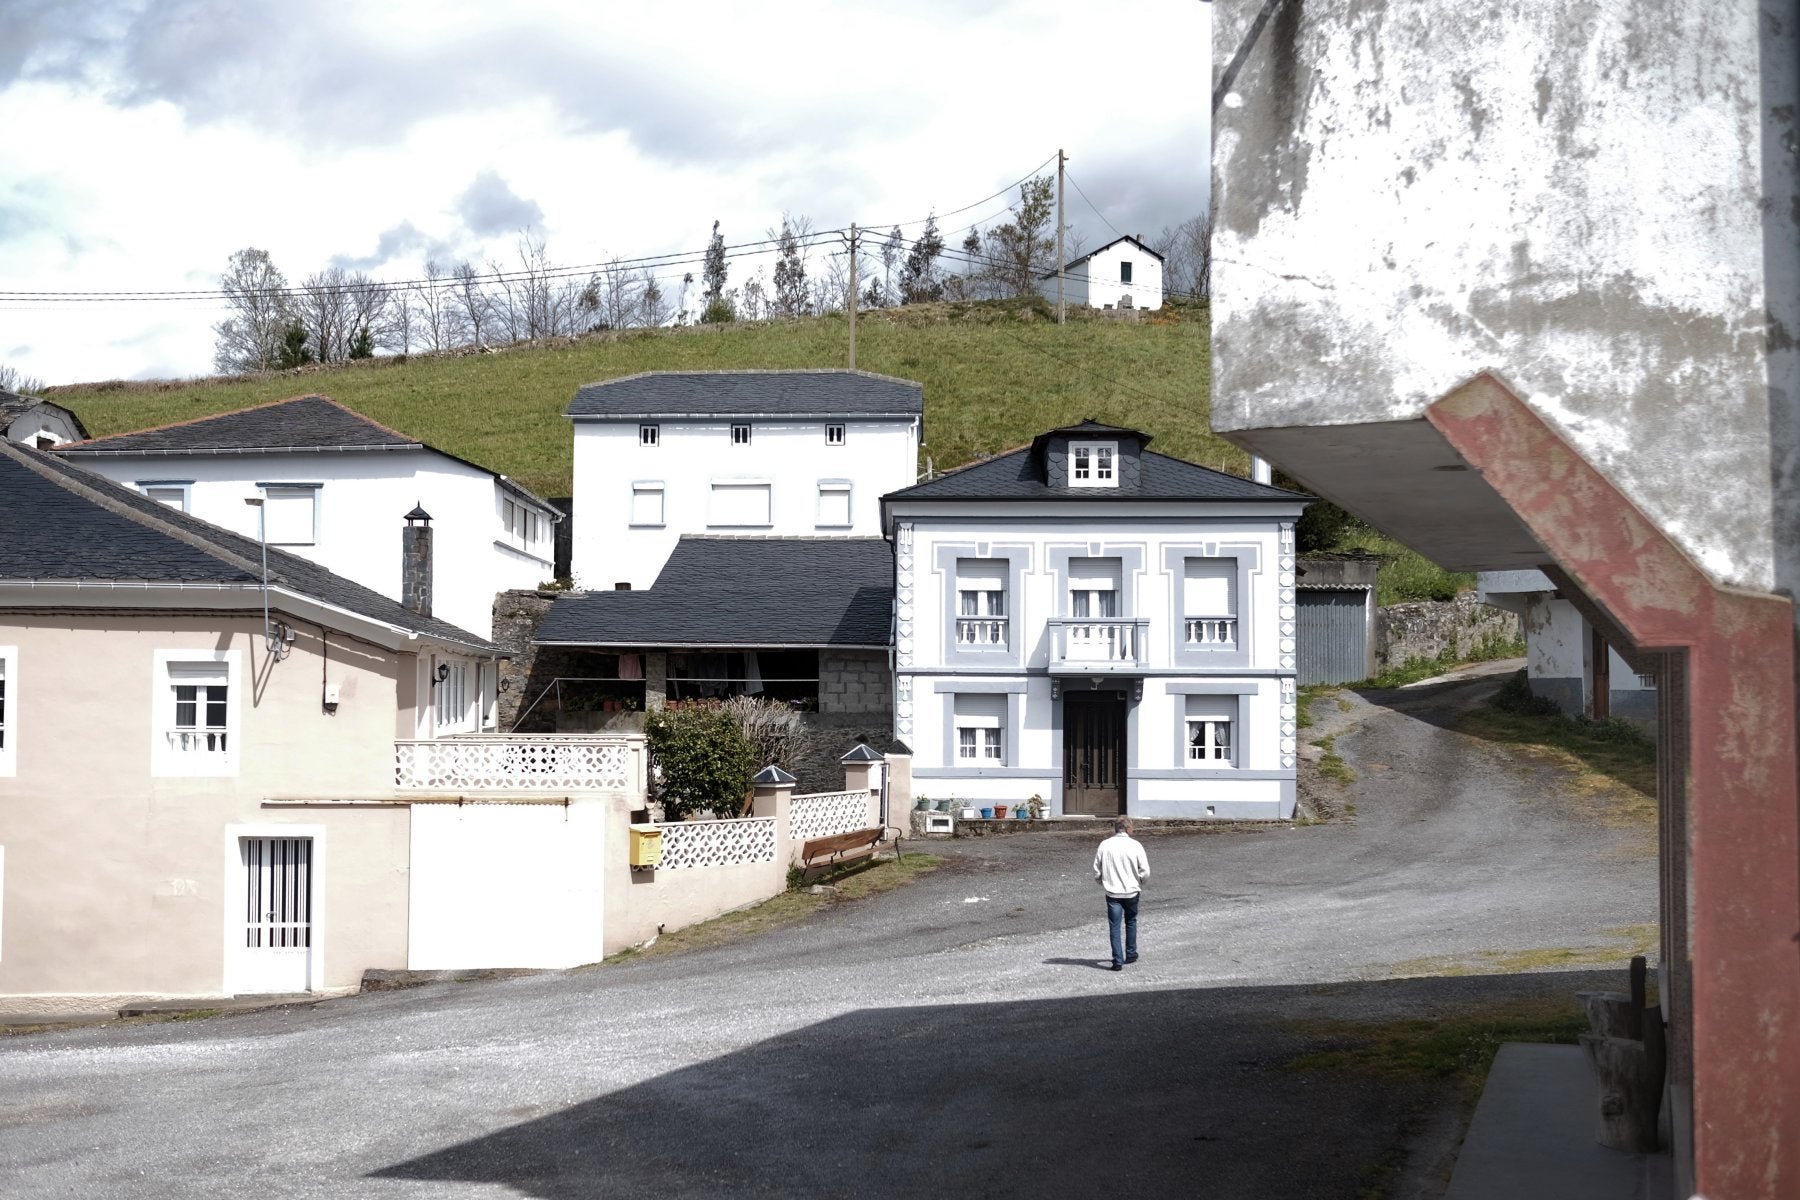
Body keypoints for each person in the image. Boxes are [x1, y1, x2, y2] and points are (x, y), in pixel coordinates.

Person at [1094, 815, 1150, 970]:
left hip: (1112, 892)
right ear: (1127, 828)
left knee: (1114, 926)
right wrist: (1139, 881)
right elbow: (1145, 871)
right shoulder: (1136, 845)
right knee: (1131, 921)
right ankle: (1131, 953)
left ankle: (1117, 960)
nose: (1133, 830)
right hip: (1131, 891)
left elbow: (1097, 870)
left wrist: (1103, 882)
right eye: (1132, 827)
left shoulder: (1105, 845)